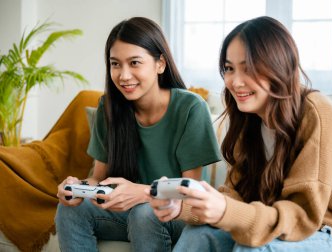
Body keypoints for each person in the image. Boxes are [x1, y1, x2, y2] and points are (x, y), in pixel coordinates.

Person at [149, 16, 332, 251]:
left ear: (279, 65)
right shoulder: (248, 120)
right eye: (229, 68)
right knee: (199, 235)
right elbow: (237, 197)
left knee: (255, 248)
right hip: (293, 230)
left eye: (248, 68)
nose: (235, 81)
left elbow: (301, 216)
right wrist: (183, 207)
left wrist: (225, 211)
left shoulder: (317, 112)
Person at [55, 17, 220, 252]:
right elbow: (99, 178)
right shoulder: (109, 107)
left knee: (145, 213)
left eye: (134, 63)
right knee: (70, 209)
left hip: (174, 213)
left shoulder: (190, 108)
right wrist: (77, 187)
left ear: (160, 64)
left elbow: (189, 190)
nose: (123, 75)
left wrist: (143, 193)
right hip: (129, 213)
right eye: (115, 64)